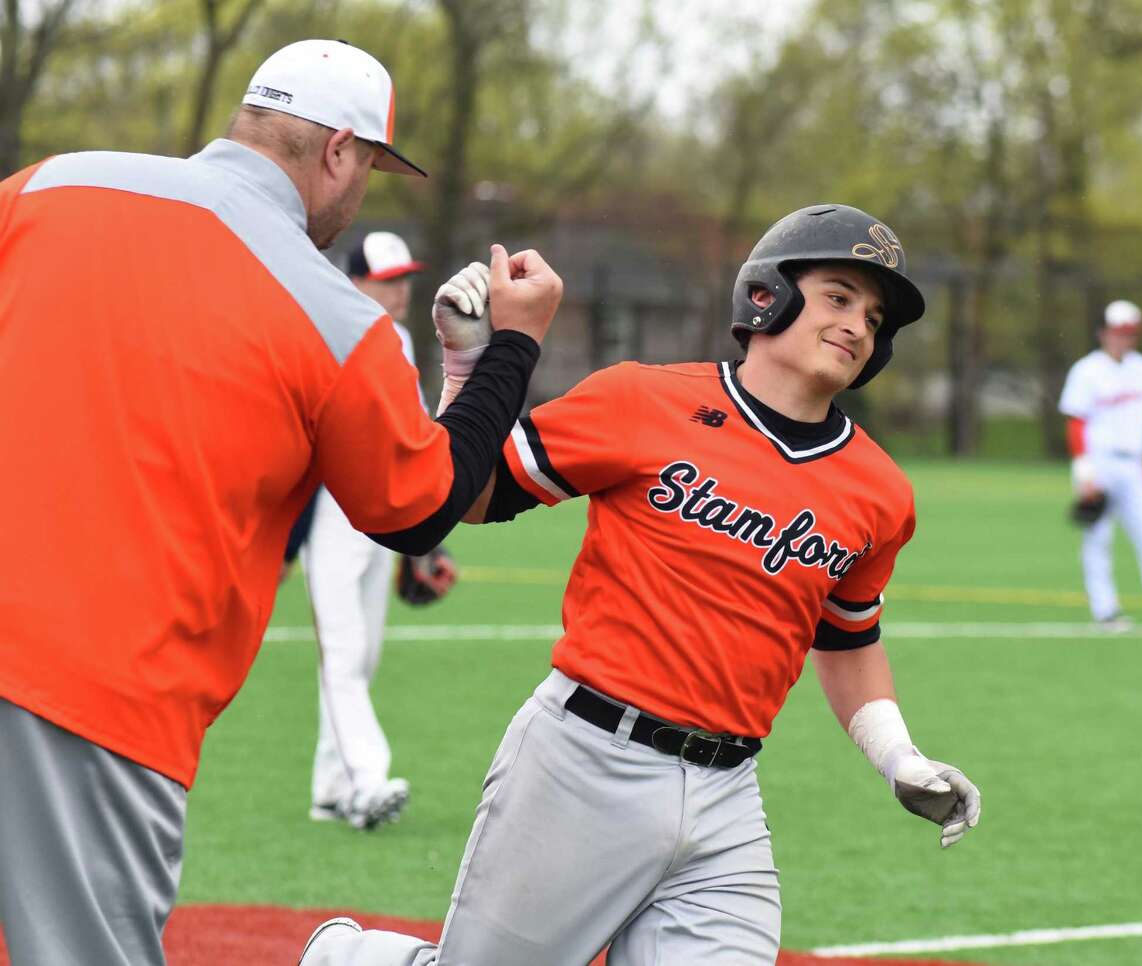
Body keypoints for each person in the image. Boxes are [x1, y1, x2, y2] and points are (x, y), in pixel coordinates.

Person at [0, 39, 561, 966]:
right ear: (338, 150)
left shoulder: (49, 185)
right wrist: (504, 352)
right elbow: (420, 508)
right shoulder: (332, 313)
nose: (359, 195)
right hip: (96, 695)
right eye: (369, 169)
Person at [298, 204, 982, 966]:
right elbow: (469, 492)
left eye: (876, 315)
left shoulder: (879, 491)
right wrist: (466, 371)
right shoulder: (639, 398)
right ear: (767, 297)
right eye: (839, 296)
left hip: (728, 795)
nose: (859, 324)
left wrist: (899, 755)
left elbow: (849, 637)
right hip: (584, 761)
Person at [293, 231, 460, 830]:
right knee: (341, 650)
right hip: (331, 506)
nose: (398, 290)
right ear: (356, 280)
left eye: (403, 278)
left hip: (380, 510)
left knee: (362, 653)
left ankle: (330, 789)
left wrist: (427, 535)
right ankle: (368, 779)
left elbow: (410, 434)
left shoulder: (403, 339)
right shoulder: (330, 330)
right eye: (386, 280)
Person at [1058, 299, 1142, 632]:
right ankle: (1105, 610)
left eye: (1130, 333)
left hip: (1135, 465)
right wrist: (1084, 469)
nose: (1125, 339)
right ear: (1103, 332)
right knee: (1098, 539)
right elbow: (1076, 422)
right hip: (1100, 464)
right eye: (1119, 332)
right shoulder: (1087, 370)